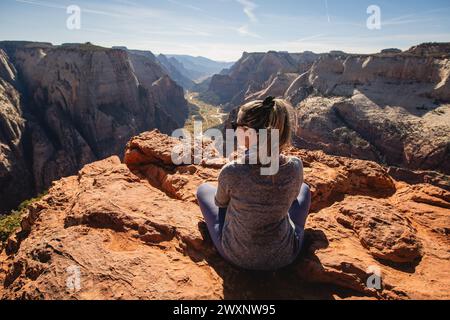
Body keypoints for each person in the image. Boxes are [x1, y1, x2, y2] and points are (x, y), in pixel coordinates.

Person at [196, 96, 311, 271]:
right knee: (305, 190)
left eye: (236, 127)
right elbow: (294, 198)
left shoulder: (231, 171)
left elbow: (221, 203)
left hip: (235, 256)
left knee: (203, 190)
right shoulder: (295, 166)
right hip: (285, 255)